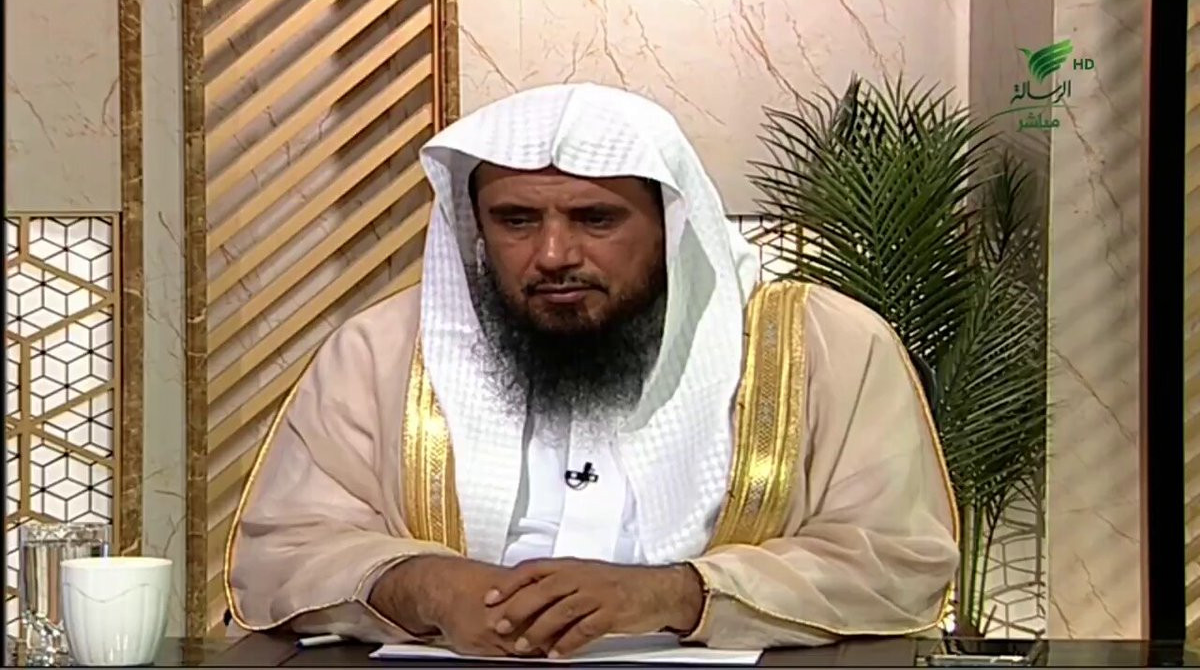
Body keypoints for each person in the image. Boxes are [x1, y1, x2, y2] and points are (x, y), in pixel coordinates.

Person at [224, 83, 959, 657]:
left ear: (670, 225)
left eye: (595, 219)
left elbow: (897, 562)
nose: (553, 255)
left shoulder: (826, 346)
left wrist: (676, 595)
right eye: (516, 220)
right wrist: (425, 586)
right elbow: (280, 554)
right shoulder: (382, 351)